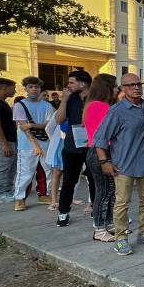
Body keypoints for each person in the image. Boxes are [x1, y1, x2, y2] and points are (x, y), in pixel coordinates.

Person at [93, 73, 144, 256]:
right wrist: (104, 161)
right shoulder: (117, 111)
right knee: (122, 203)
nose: (136, 88)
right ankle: (120, 239)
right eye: (131, 85)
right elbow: (100, 139)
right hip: (123, 166)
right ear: (122, 89)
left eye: (139, 84)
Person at [54, 70, 93, 226]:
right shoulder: (70, 99)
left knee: (94, 179)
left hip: (92, 146)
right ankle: (63, 212)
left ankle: (96, 209)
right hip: (72, 146)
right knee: (70, 179)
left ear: (82, 84)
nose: (68, 85)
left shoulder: (96, 99)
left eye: (71, 82)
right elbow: (59, 120)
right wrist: (64, 100)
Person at [83, 74, 118, 242]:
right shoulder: (99, 106)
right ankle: (99, 228)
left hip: (102, 152)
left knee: (111, 190)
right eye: (115, 86)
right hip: (100, 153)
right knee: (103, 191)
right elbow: (103, 134)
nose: (117, 89)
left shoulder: (96, 105)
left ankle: (109, 223)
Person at [12, 77, 54, 211]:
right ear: (25, 89)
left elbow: (49, 124)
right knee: (25, 172)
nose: (34, 89)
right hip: (27, 145)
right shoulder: (19, 105)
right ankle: (19, 198)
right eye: (31, 87)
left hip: (46, 143)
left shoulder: (47, 105)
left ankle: (44, 194)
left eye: (36, 87)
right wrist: (35, 145)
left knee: (47, 171)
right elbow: (24, 128)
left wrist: (34, 125)